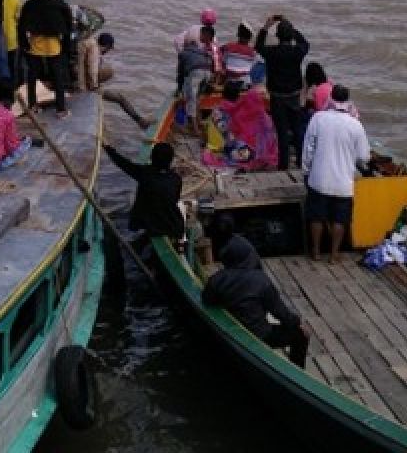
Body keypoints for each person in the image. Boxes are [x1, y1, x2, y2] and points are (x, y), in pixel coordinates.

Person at [201, 216, 309, 367]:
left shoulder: (216, 280)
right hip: (259, 334)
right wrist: (297, 323)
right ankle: (298, 370)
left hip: (231, 330)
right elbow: (280, 312)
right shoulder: (261, 280)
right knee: (301, 336)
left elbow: (207, 299)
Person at [302, 85, 370, 263]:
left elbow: (308, 148)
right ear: (348, 100)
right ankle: (334, 255)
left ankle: (315, 252)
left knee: (316, 216)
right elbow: (364, 156)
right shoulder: (355, 124)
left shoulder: (318, 118)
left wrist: (306, 170)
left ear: (331, 97)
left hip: (319, 178)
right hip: (343, 183)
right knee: (340, 219)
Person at [255, 15, 310, 170]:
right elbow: (305, 43)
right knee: (297, 130)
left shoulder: (272, 53)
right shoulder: (297, 52)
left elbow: (258, 46)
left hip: (277, 97)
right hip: (294, 96)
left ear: (277, 36)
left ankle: (283, 165)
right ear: (290, 35)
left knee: (282, 132)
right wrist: (292, 28)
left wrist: (266, 27)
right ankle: (301, 162)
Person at [103, 141, 184, 239]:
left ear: (152, 157)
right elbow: (174, 199)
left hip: (152, 225)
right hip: (173, 225)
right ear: (170, 160)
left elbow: (124, 164)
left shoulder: (146, 174)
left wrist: (108, 148)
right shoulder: (176, 179)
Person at [18, 0, 71, 118]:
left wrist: (24, 44)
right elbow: (67, 29)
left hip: (35, 45)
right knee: (57, 77)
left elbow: (21, 27)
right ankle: (61, 109)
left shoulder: (29, 4)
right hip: (54, 46)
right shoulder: (60, 5)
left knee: (32, 76)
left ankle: (32, 106)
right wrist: (66, 48)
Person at [178, 26, 217, 135]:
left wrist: (179, 89)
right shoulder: (201, 51)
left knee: (191, 99)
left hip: (198, 73)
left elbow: (180, 74)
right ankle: (198, 121)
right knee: (197, 98)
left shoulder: (183, 53)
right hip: (207, 73)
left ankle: (195, 129)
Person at [221, 23, 257, 88]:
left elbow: (223, 63)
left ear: (238, 34)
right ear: (250, 38)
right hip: (245, 82)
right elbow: (252, 67)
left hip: (229, 81)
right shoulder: (253, 52)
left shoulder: (228, 47)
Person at [2, 0, 22, 87]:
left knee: (0, 63)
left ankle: (2, 84)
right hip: (12, 36)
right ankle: (12, 85)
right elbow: (18, 18)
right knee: (11, 64)